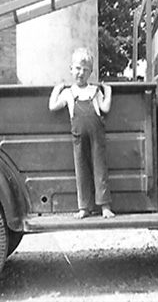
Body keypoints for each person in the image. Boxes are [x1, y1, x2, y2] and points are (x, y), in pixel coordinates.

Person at [49, 47, 115, 219]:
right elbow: (53, 106)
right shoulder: (69, 93)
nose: (81, 73)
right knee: (82, 170)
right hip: (79, 137)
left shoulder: (94, 91)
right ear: (71, 69)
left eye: (85, 70)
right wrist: (57, 88)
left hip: (97, 136)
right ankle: (84, 207)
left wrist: (108, 92)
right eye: (78, 69)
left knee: (100, 168)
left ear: (91, 72)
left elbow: (105, 107)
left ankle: (105, 206)